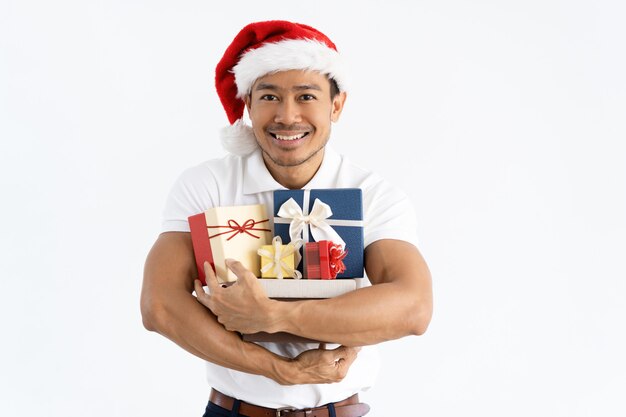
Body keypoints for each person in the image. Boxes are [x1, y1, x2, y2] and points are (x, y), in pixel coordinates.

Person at [141, 20, 433, 417]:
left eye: (306, 96)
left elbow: (413, 308)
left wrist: (274, 315)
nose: (287, 116)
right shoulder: (207, 184)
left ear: (336, 104)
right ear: (248, 105)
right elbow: (159, 305)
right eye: (269, 97)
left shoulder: (375, 194)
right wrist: (278, 369)